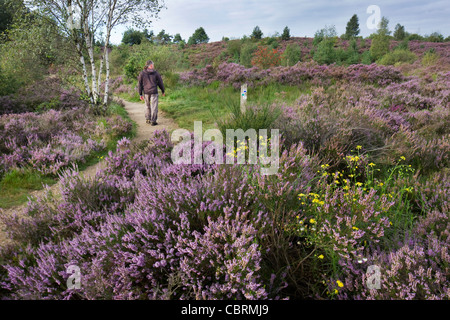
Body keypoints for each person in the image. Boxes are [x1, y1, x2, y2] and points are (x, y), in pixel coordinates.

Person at [138, 60, 165, 126]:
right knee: (154, 106)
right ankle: (153, 121)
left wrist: (140, 93)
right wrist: (163, 90)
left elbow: (140, 84)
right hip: (154, 92)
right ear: (151, 65)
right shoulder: (156, 73)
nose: (154, 66)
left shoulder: (142, 73)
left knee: (147, 106)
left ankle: (148, 119)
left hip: (146, 92)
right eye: (153, 65)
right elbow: (160, 82)